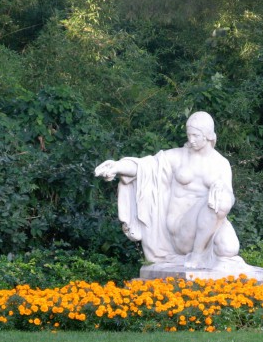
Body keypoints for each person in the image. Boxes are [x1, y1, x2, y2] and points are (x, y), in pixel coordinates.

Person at [95, 112, 241, 269]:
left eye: (196, 135)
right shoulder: (177, 157)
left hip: (210, 226)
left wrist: (221, 191)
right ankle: (197, 255)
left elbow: (229, 199)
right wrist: (117, 167)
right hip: (182, 231)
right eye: (189, 135)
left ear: (208, 136)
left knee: (229, 248)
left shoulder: (221, 163)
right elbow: (144, 168)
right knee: (216, 202)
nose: (191, 140)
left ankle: (202, 255)